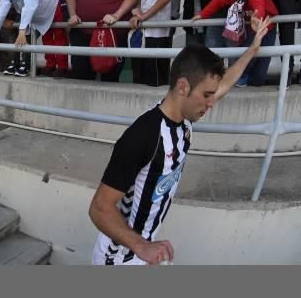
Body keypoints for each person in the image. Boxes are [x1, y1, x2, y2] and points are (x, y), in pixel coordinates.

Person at [89, 25, 270, 265]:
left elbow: (223, 84)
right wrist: (142, 246)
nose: (212, 102)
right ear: (183, 87)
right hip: (118, 258)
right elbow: (99, 208)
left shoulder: (186, 118)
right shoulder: (143, 136)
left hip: (145, 251)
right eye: (207, 95)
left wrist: (252, 49)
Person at [194, 0, 278, 86]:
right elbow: (219, 1)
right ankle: (241, 81)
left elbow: (259, 5)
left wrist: (257, 17)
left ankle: (249, 84)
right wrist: (202, 14)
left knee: (260, 73)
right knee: (246, 58)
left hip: (267, 28)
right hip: (251, 28)